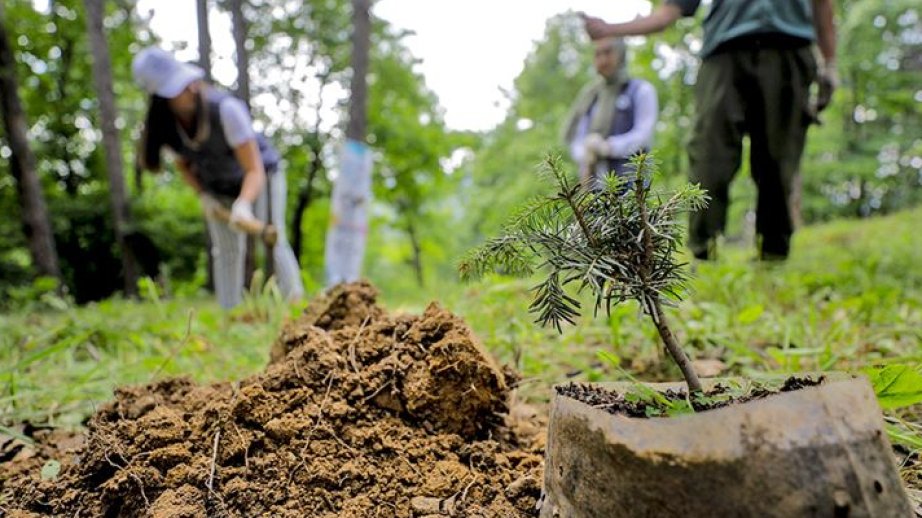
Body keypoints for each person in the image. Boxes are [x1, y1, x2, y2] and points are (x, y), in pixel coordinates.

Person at [583, 0, 837, 260]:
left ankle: (774, 256)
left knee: (779, 158)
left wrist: (830, 63)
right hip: (723, 53)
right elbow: (668, 12)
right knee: (709, 155)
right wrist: (610, 29)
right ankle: (703, 253)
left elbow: (822, 4)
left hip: (790, 48)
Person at [132, 47, 304, 308]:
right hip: (217, 187)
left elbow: (253, 169)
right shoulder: (166, 128)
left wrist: (244, 204)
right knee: (226, 250)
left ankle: (295, 304)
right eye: (178, 88)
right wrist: (204, 196)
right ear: (161, 97)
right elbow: (185, 167)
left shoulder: (226, 110)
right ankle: (230, 313)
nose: (190, 88)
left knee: (273, 240)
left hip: (261, 177)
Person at [563, 37, 658, 190]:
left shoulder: (640, 90)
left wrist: (608, 147)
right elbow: (576, 140)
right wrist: (586, 151)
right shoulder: (590, 97)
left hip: (632, 188)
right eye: (597, 54)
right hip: (594, 188)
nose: (602, 60)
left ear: (620, 54)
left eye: (608, 52)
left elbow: (643, 135)